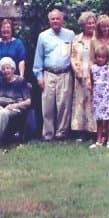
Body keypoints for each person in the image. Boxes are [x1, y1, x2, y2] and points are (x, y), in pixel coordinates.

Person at [33, 9, 74, 141]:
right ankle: (48, 134)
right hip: (48, 74)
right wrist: (39, 76)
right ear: (49, 20)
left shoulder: (70, 35)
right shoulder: (43, 36)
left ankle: (61, 133)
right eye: (53, 19)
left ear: (62, 20)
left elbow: (74, 55)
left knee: (64, 105)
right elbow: (38, 57)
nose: (55, 21)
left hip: (65, 73)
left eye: (58, 19)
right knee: (47, 106)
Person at [0, 57, 32, 152]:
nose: (5, 71)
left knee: (3, 112)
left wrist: (14, 106)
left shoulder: (20, 81)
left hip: (14, 108)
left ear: (12, 69)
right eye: (3, 69)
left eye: (8, 68)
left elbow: (28, 101)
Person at [70, 11, 97, 141]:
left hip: (94, 75)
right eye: (88, 23)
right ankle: (80, 132)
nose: (91, 25)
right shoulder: (76, 39)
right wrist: (75, 69)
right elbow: (72, 56)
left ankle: (93, 131)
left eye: (93, 23)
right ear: (83, 25)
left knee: (92, 103)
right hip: (80, 75)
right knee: (80, 103)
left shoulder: (98, 39)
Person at [90, 43, 109, 148]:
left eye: (103, 57)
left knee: (108, 119)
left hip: (107, 97)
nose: (100, 59)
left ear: (106, 58)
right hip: (97, 97)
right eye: (98, 57)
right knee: (99, 119)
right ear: (95, 57)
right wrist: (93, 93)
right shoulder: (93, 68)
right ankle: (98, 140)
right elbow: (93, 83)